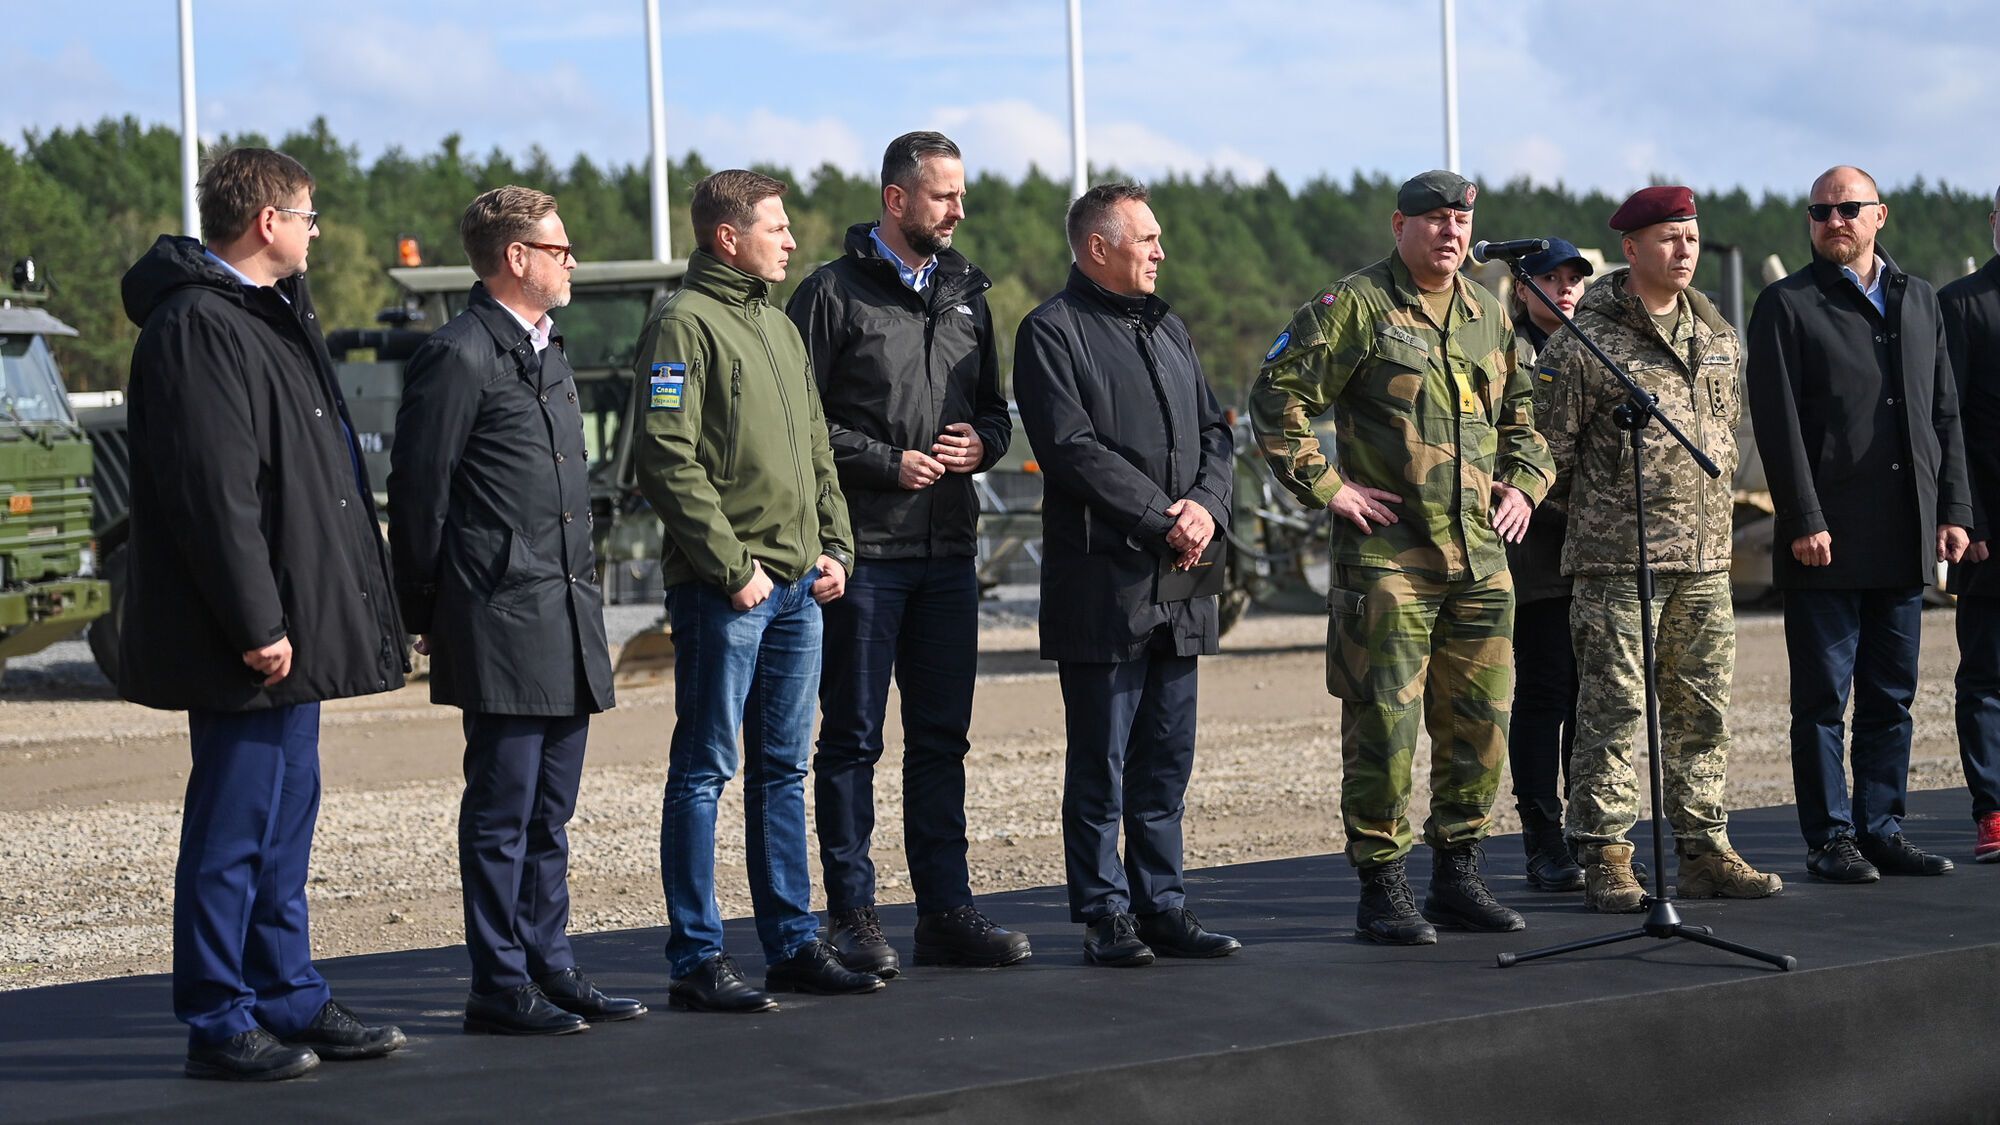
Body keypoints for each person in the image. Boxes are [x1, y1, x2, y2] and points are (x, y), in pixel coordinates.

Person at [120, 147, 407, 1080]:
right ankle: (218, 1015)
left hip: (295, 623)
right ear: (267, 222)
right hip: (249, 635)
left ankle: (288, 993)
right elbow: (216, 492)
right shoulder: (200, 325)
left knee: (285, 822)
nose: (316, 232)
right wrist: (255, 621)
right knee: (234, 826)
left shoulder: (270, 316)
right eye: (310, 216)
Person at [1249, 170, 1553, 946]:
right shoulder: (1357, 305)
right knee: (1385, 724)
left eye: (1461, 218)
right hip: (1390, 561)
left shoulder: (1490, 314)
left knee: (1481, 724)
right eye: (1434, 218)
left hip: (1482, 561)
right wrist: (1329, 487)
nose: (1451, 231)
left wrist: (1523, 485)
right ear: (1399, 225)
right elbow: (1276, 396)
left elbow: (1525, 422)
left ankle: (1460, 873)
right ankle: (1383, 883)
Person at [388, 186, 640, 1035]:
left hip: (566, 617)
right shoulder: (460, 355)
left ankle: (549, 965)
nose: (571, 261)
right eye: (559, 248)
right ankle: (498, 983)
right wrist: (425, 607)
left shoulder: (549, 350)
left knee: (550, 812)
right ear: (516, 257)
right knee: (501, 814)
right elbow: (419, 493)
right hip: (497, 617)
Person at [633, 169, 878, 1011]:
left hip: (801, 588)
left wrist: (835, 544)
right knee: (705, 768)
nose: (791, 240)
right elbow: (666, 456)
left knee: (782, 769)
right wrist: (730, 566)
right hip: (727, 591)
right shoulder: (682, 322)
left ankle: (792, 942)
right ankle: (697, 956)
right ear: (727, 237)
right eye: (775, 227)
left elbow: (817, 447)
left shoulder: (778, 326)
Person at [785, 132, 1028, 975]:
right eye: (943, 196)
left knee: (941, 738)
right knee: (851, 739)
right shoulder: (828, 295)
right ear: (896, 199)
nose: (958, 211)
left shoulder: (969, 295)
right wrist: (885, 461)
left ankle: (945, 911)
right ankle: (853, 914)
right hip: (864, 554)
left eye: (961, 196)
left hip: (948, 551)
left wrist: (981, 446)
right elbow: (800, 425)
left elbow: (997, 411)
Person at [1014, 182, 1242, 967]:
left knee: (1166, 755)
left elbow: (1218, 430)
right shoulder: (1051, 332)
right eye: (1146, 239)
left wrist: (1206, 508)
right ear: (1098, 247)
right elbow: (1072, 448)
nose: (1160, 252)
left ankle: (1164, 902)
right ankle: (1105, 911)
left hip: (1182, 578)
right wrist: (1162, 517)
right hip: (1104, 582)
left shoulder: (1169, 326)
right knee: (1101, 761)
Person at [1538, 187, 1782, 912]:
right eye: (1669, 238)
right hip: (1619, 561)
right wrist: (1609, 505)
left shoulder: (1717, 338)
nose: (1684, 251)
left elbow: (1724, 434)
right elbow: (1548, 458)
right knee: (1613, 710)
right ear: (1632, 249)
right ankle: (1607, 855)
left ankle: (1703, 846)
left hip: (1707, 560)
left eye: (1692, 238)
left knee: (1702, 710)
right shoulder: (1584, 343)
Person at [1746, 165, 1972, 883]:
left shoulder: (1919, 300)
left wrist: (1954, 510)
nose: (1833, 220)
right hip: (1825, 541)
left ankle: (1883, 828)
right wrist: (1803, 518)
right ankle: (1830, 838)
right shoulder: (1786, 305)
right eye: (1819, 210)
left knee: (1892, 697)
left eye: (1847, 208)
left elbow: (1944, 413)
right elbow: (1777, 427)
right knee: (1821, 701)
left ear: (1881, 216)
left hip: (1904, 534)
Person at [1501, 238, 1592, 892]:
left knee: (1594, 698)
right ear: (1521, 285)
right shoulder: (1503, 348)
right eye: (1551, 278)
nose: (1565, 289)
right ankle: (1542, 837)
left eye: (1574, 279)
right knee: (1545, 691)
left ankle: (1591, 832)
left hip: (1597, 548)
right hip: (1535, 550)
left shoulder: (1597, 353)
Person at [1940, 184, 2000, 863]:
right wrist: (1964, 513)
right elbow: (1947, 424)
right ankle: (1993, 809)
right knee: (1986, 676)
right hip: (1990, 528)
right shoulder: (1962, 305)